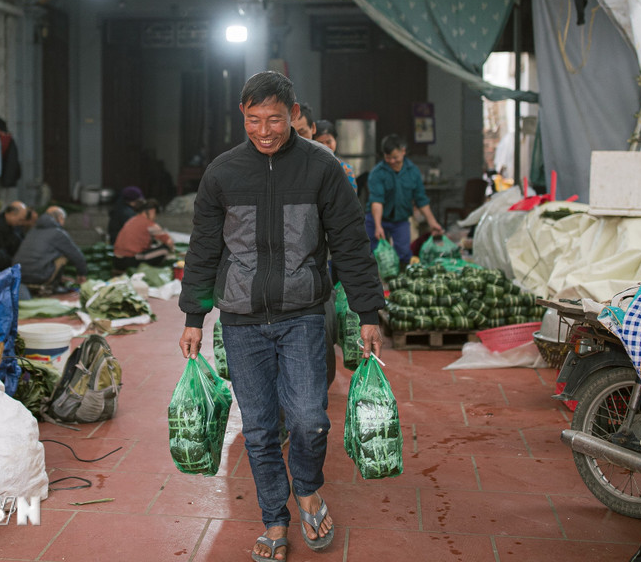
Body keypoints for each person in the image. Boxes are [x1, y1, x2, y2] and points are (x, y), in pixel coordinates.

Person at [178, 71, 385, 562]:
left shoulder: (321, 168)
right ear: (242, 117)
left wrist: (367, 311)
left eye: (274, 119)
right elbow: (204, 248)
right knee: (260, 428)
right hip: (242, 320)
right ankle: (274, 517)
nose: (264, 130)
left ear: (294, 116)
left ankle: (308, 489)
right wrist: (193, 316)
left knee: (311, 419)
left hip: (304, 314)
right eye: (254, 120)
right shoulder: (223, 173)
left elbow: (351, 245)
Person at [366, 134, 444, 265]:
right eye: (387, 157)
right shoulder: (377, 173)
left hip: (400, 220)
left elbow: (421, 200)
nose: (391, 161)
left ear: (403, 151)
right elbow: (377, 201)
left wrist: (432, 222)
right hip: (376, 219)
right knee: (374, 255)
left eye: (395, 157)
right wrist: (378, 226)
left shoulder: (413, 171)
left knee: (403, 255)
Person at [12, 206, 87, 289]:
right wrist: (82, 274)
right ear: (60, 218)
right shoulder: (58, 233)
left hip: (18, 275)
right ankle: (52, 285)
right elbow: (76, 256)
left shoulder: (32, 231)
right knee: (63, 256)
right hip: (38, 277)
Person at [112, 198, 174, 271]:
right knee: (164, 249)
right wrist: (173, 251)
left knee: (152, 248)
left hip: (117, 260)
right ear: (151, 211)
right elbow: (169, 242)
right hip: (129, 261)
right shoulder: (149, 224)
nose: (155, 217)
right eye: (155, 214)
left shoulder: (132, 220)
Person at [313, 120, 357, 191]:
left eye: (328, 142)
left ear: (335, 141)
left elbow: (351, 199)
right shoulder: (306, 168)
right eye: (320, 143)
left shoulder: (346, 170)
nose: (325, 146)